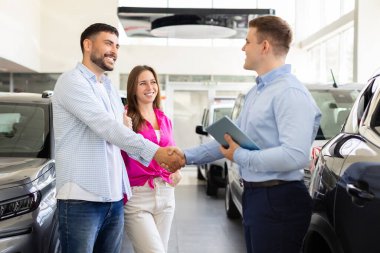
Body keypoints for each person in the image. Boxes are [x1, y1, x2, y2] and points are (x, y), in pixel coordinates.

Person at [181, 16, 321, 253]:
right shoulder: (256, 93)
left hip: (279, 199)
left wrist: (241, 157)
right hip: (258, 196)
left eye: (247, 41)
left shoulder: (290, 92)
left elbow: (295, 155)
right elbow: (230, 141)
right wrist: (184, 156)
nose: (243, 47)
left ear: (264, 46)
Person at [52, 23, 183, 253]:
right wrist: (156, 152)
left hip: (114, 200)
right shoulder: (71, 82)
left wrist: (162, 164)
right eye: (108, 43)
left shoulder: (110, 88)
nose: (114, 50)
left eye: (117, 45)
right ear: (87, 45)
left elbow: (122, 134)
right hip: (82, 199)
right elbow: (106, 127)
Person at [121, 65, 182, 253]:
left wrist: (176, 170)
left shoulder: (164, 119)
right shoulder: (124, 116)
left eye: (153, 82)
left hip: (166, 193)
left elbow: (169, 152)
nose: (150, 87)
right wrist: (122, 128)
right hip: (138, 196)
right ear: (133, 88)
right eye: (143, 83)